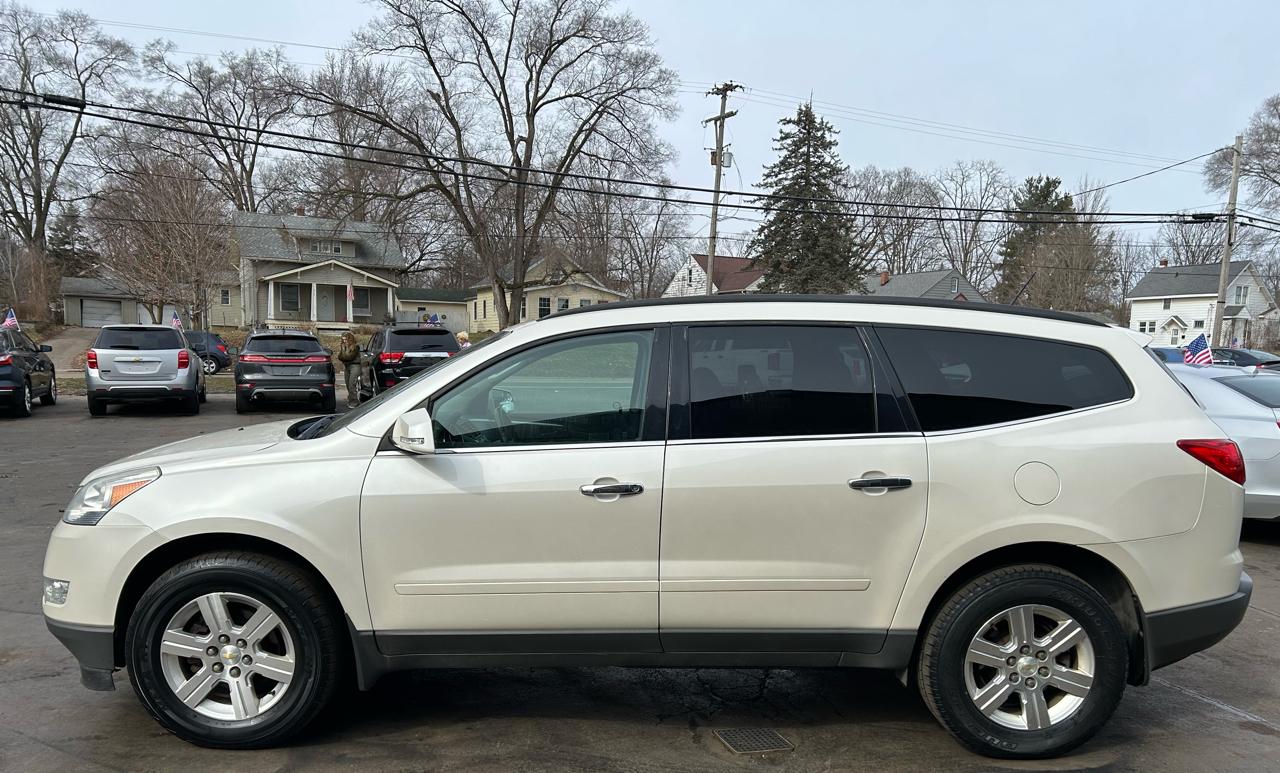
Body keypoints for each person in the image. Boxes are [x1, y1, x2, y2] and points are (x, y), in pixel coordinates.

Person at [337, 331, 361, 408]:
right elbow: (340, 357)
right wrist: (343, 349)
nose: (344, 341)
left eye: (345, 339)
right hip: (347, 366)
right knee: (347, 384)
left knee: (352, 384)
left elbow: (349, 357)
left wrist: (344, 349)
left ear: (350, 339)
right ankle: (351, 399)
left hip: (355, 366)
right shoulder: (343, 346)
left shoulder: (356, 346)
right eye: (343, 339)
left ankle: (354, 402)